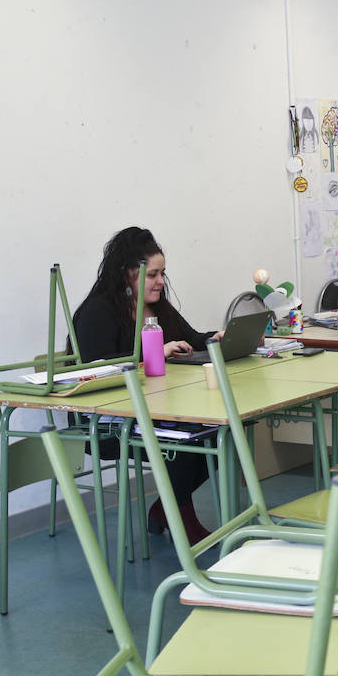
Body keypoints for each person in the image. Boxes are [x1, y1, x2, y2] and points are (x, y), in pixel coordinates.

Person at [72, 226, 219, 542]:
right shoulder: (97, 311)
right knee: (184, 437)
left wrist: (216, 338)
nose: (161, 282)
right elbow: (96, 367)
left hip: (155, 407)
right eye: (152, 275)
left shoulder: (158, 306)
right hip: (110, 419)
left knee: (221, 431)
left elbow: (190, 339)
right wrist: (149, 354)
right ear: (128, 274)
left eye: (163, 273)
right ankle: (180, 515)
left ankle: (165, 509)